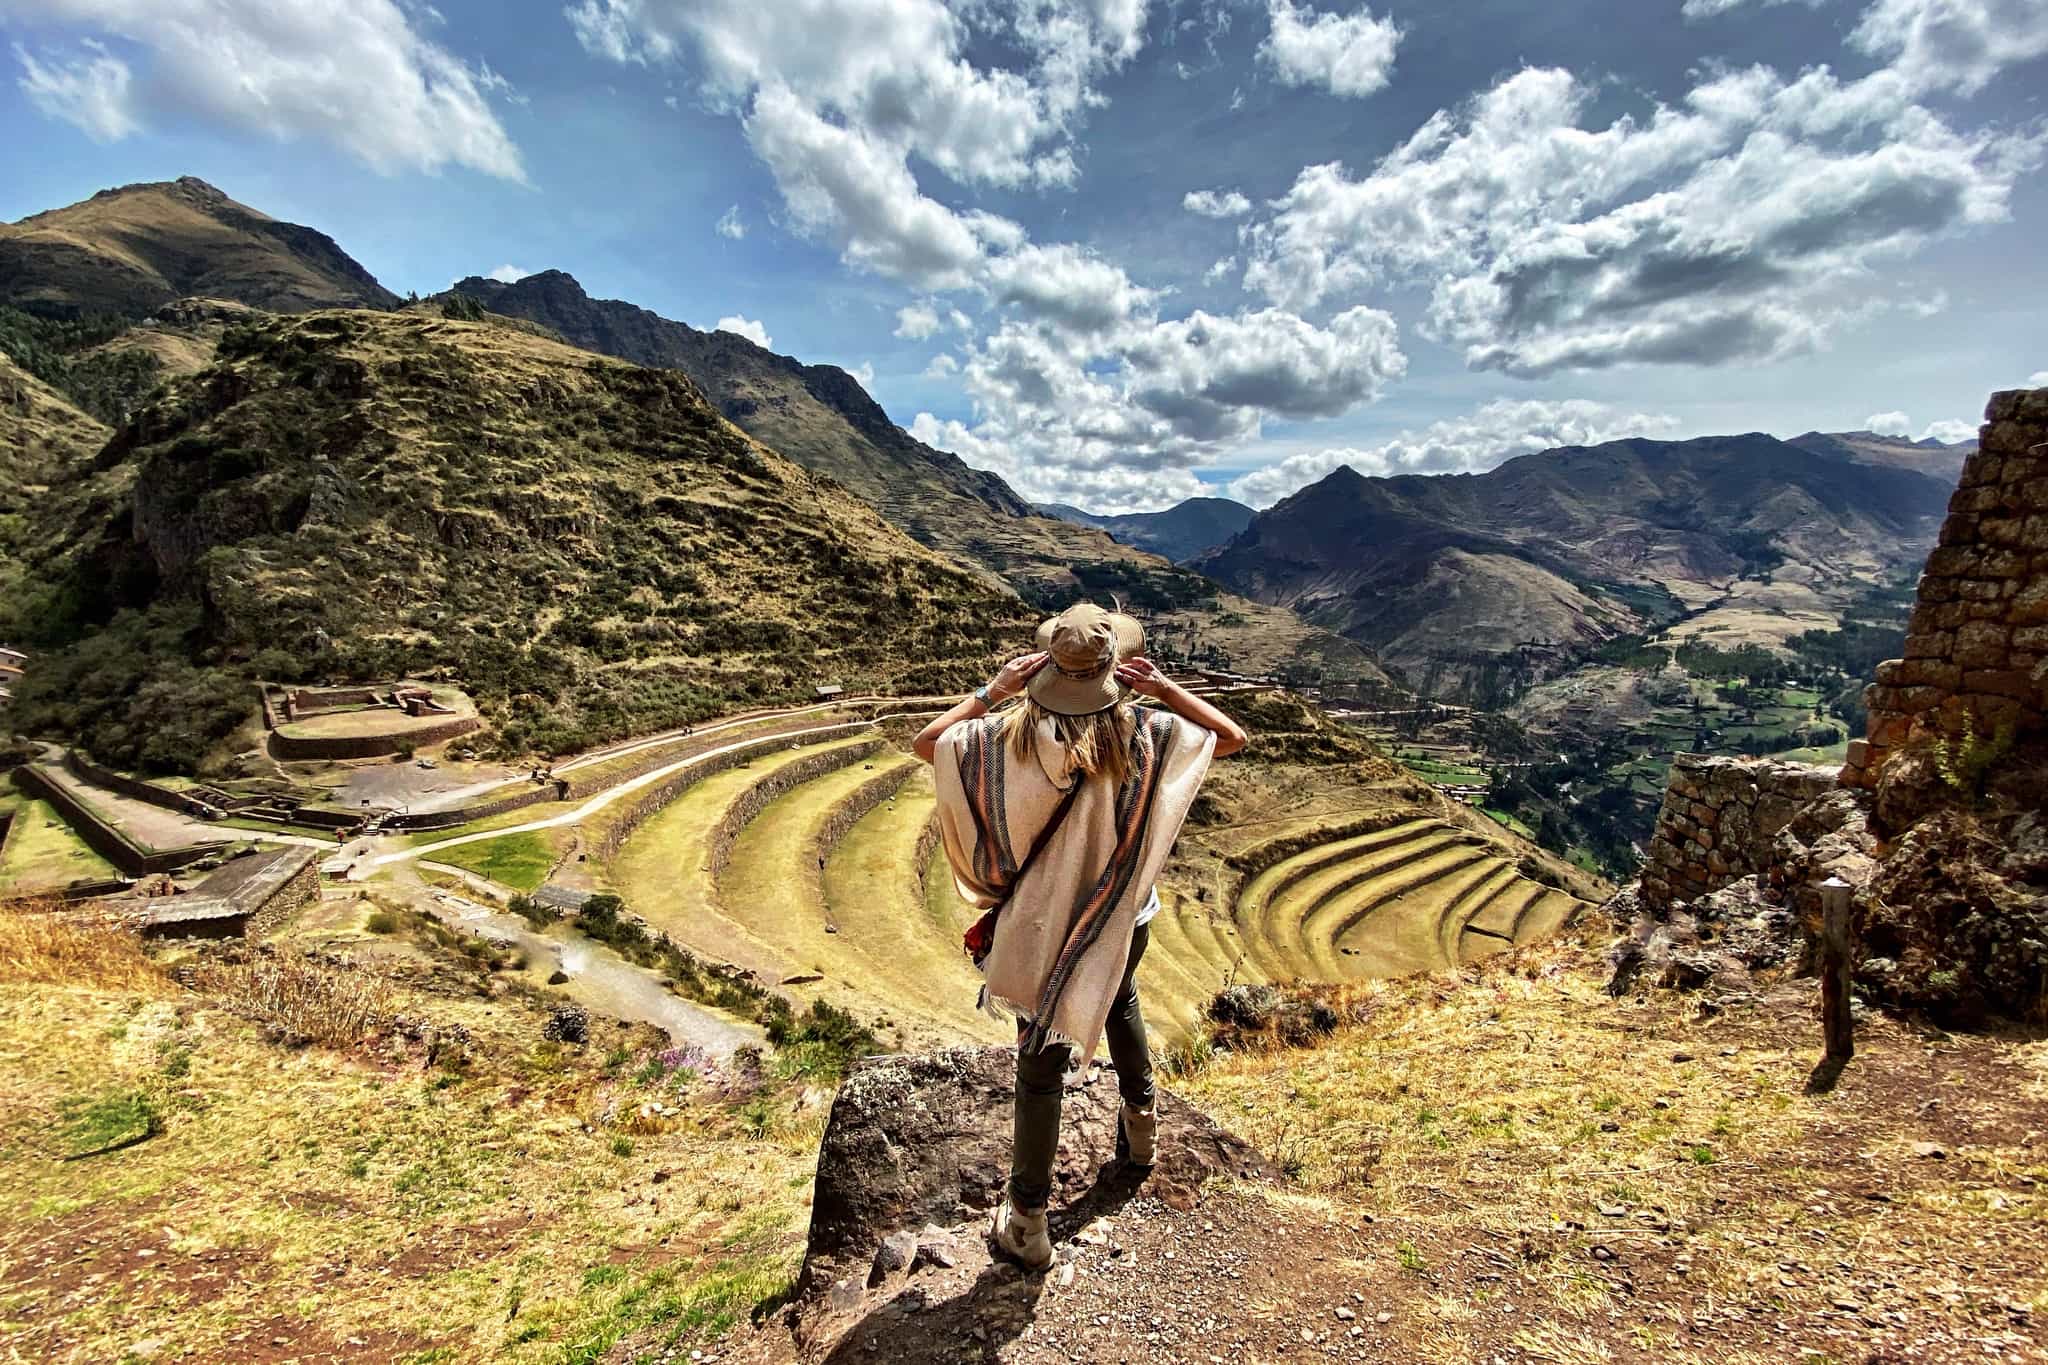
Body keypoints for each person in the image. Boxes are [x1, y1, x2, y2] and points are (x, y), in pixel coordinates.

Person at [914, 603, 1247, 1271]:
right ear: (1114, 668)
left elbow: (929, 743)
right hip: (1122, 916)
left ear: (1045, 669)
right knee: (1119, 994)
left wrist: (994, 689)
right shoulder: (1145, 731)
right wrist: (1164, 689)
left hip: (1042, 927)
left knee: (1040, 1069)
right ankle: (1141, 1128)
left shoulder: (1005, 738)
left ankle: (1029, 1218)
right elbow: (1229, 737)